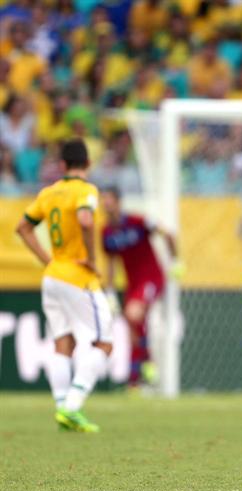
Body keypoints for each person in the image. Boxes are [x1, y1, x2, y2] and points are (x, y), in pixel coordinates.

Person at [15, 139, 113, 432]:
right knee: (104, 342)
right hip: (78, 277)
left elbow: (23, 227)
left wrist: (47, 259)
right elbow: (85, 219)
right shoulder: (86, 190)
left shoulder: (48, 193)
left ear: (62, 165)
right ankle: (72, 405)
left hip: (53, 275)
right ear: (88, 163)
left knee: (63, 342)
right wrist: (91, 259)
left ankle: (61, 407)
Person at [100, 186, 178, 386]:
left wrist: (175, 262)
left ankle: (144, 368)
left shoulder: (138, 222)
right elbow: (111, 263)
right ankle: (139, 374)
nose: (106, 204)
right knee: (132, 328)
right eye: (103, 200)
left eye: (109, 199)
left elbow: (168, 235)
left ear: (118, 202)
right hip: (133, 284)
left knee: (132, 314)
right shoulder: (106, 233)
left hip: (152, 278)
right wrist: (109, 291)